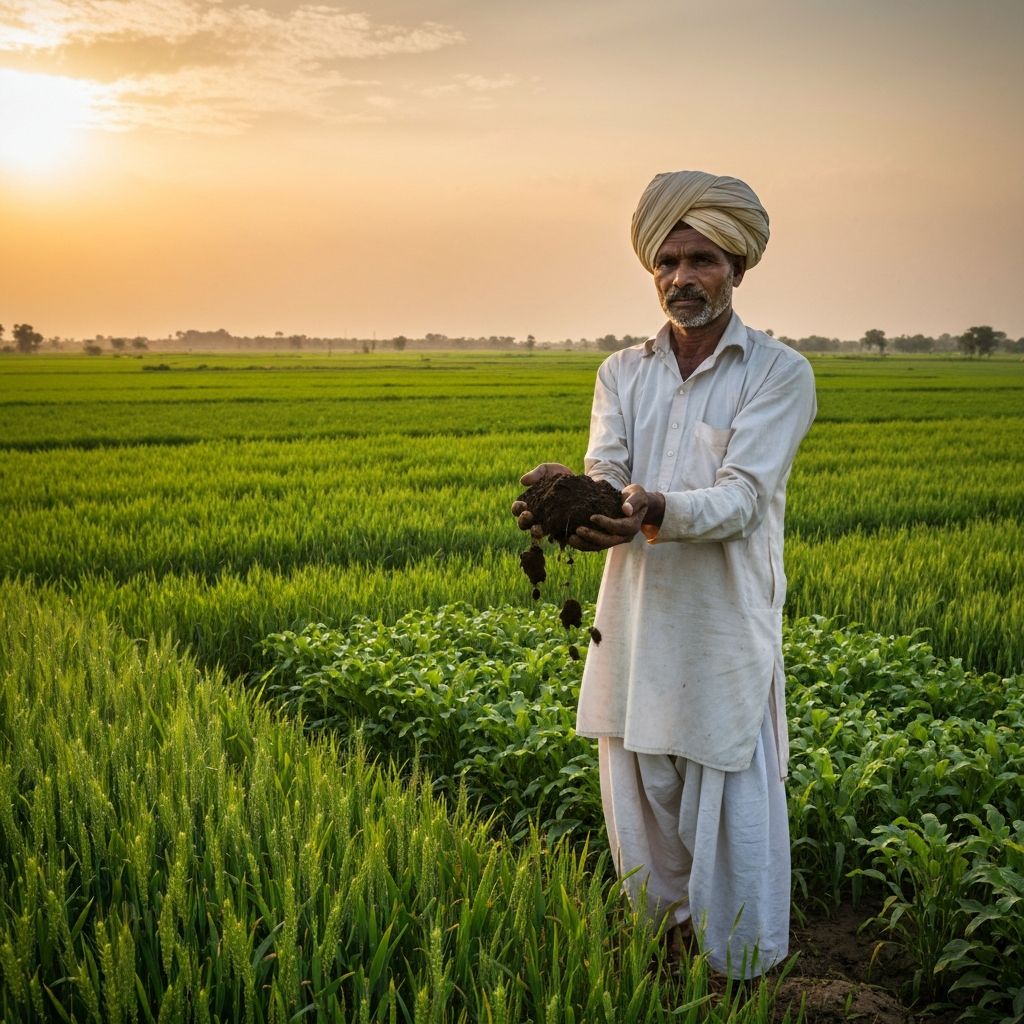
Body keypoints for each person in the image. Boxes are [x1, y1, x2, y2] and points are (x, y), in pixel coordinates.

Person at [512, 170, 816, 979]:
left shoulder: (778, 373)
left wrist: (647, 510)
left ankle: (741, 965)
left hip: (722, 619)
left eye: (702, 260)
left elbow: (744, 501)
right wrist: (565, 504)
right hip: (634, 619)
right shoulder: (622, 372)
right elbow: (604, 470)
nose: (682, 277)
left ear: (737, 269)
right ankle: (666, 941)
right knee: (639, 782)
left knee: (727, 786)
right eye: (668, 262)